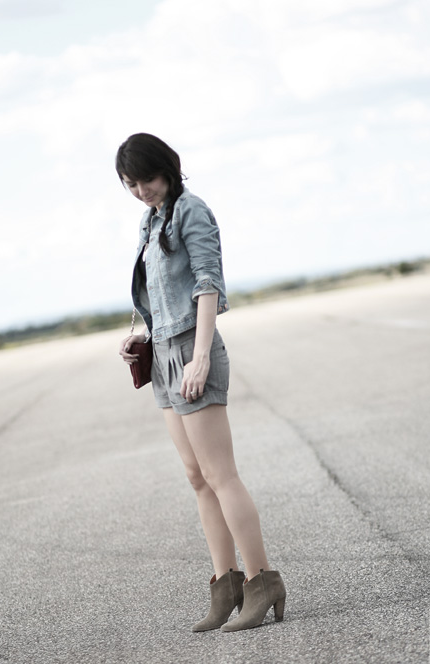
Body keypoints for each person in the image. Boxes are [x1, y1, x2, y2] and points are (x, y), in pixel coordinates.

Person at [116, 132, 286, 632]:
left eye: (147, 179)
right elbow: (160, 295)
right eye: (131, 184)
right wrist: (142, 337)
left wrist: (201, 356)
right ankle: (225, 585)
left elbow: (208, 283)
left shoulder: (191, 210)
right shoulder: (150, 220)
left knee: (220, 474)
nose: (141, 191)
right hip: (164, 354)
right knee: (196, 477)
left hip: (194, 349)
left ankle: (262, 581)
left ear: (168, 168)